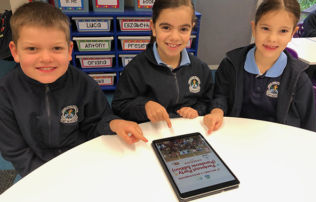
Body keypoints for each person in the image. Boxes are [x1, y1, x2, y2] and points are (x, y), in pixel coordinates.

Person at [0, 2, 147, 177]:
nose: (46, 58)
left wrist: (114, 123)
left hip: (81, 161)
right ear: (15, 51)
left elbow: (97, 121)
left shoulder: (83, 84)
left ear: (69, 50)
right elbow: (14, 149)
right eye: (32, 49)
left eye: (56, 48)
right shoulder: (6, 93)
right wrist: (46, 175)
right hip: (34, 170)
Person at [204, 0, 316, 133]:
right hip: (233, 137)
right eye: (265, 28)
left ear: (292, 34)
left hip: (277, 144)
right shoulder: (230, 65)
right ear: (254, 28)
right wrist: (217, 110)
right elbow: (220, 96)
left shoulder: (299, 79)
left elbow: (309, 128)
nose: (272, 38)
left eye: (283, 31)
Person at [112, 0, 214, 127]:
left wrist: (196, 110)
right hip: (150, 134)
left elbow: (207, 101)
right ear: (154, 28)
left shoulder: (200, 68)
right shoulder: (136, 69)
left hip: (186, 131)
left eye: (183, 29)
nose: (175, 37)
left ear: (191, 28)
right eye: (166, 27)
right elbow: (119, 106)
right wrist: (145, 106)